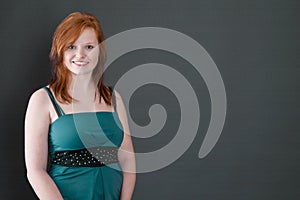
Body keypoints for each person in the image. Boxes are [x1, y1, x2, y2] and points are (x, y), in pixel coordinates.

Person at [24, 12, 136, 200]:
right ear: (60, 51)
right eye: (71, 47)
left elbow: (127, 158)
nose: (80, 55)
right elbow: (35, 171)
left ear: (100, 51)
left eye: (89, 47)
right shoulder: (43, 99)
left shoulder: (113, 97)